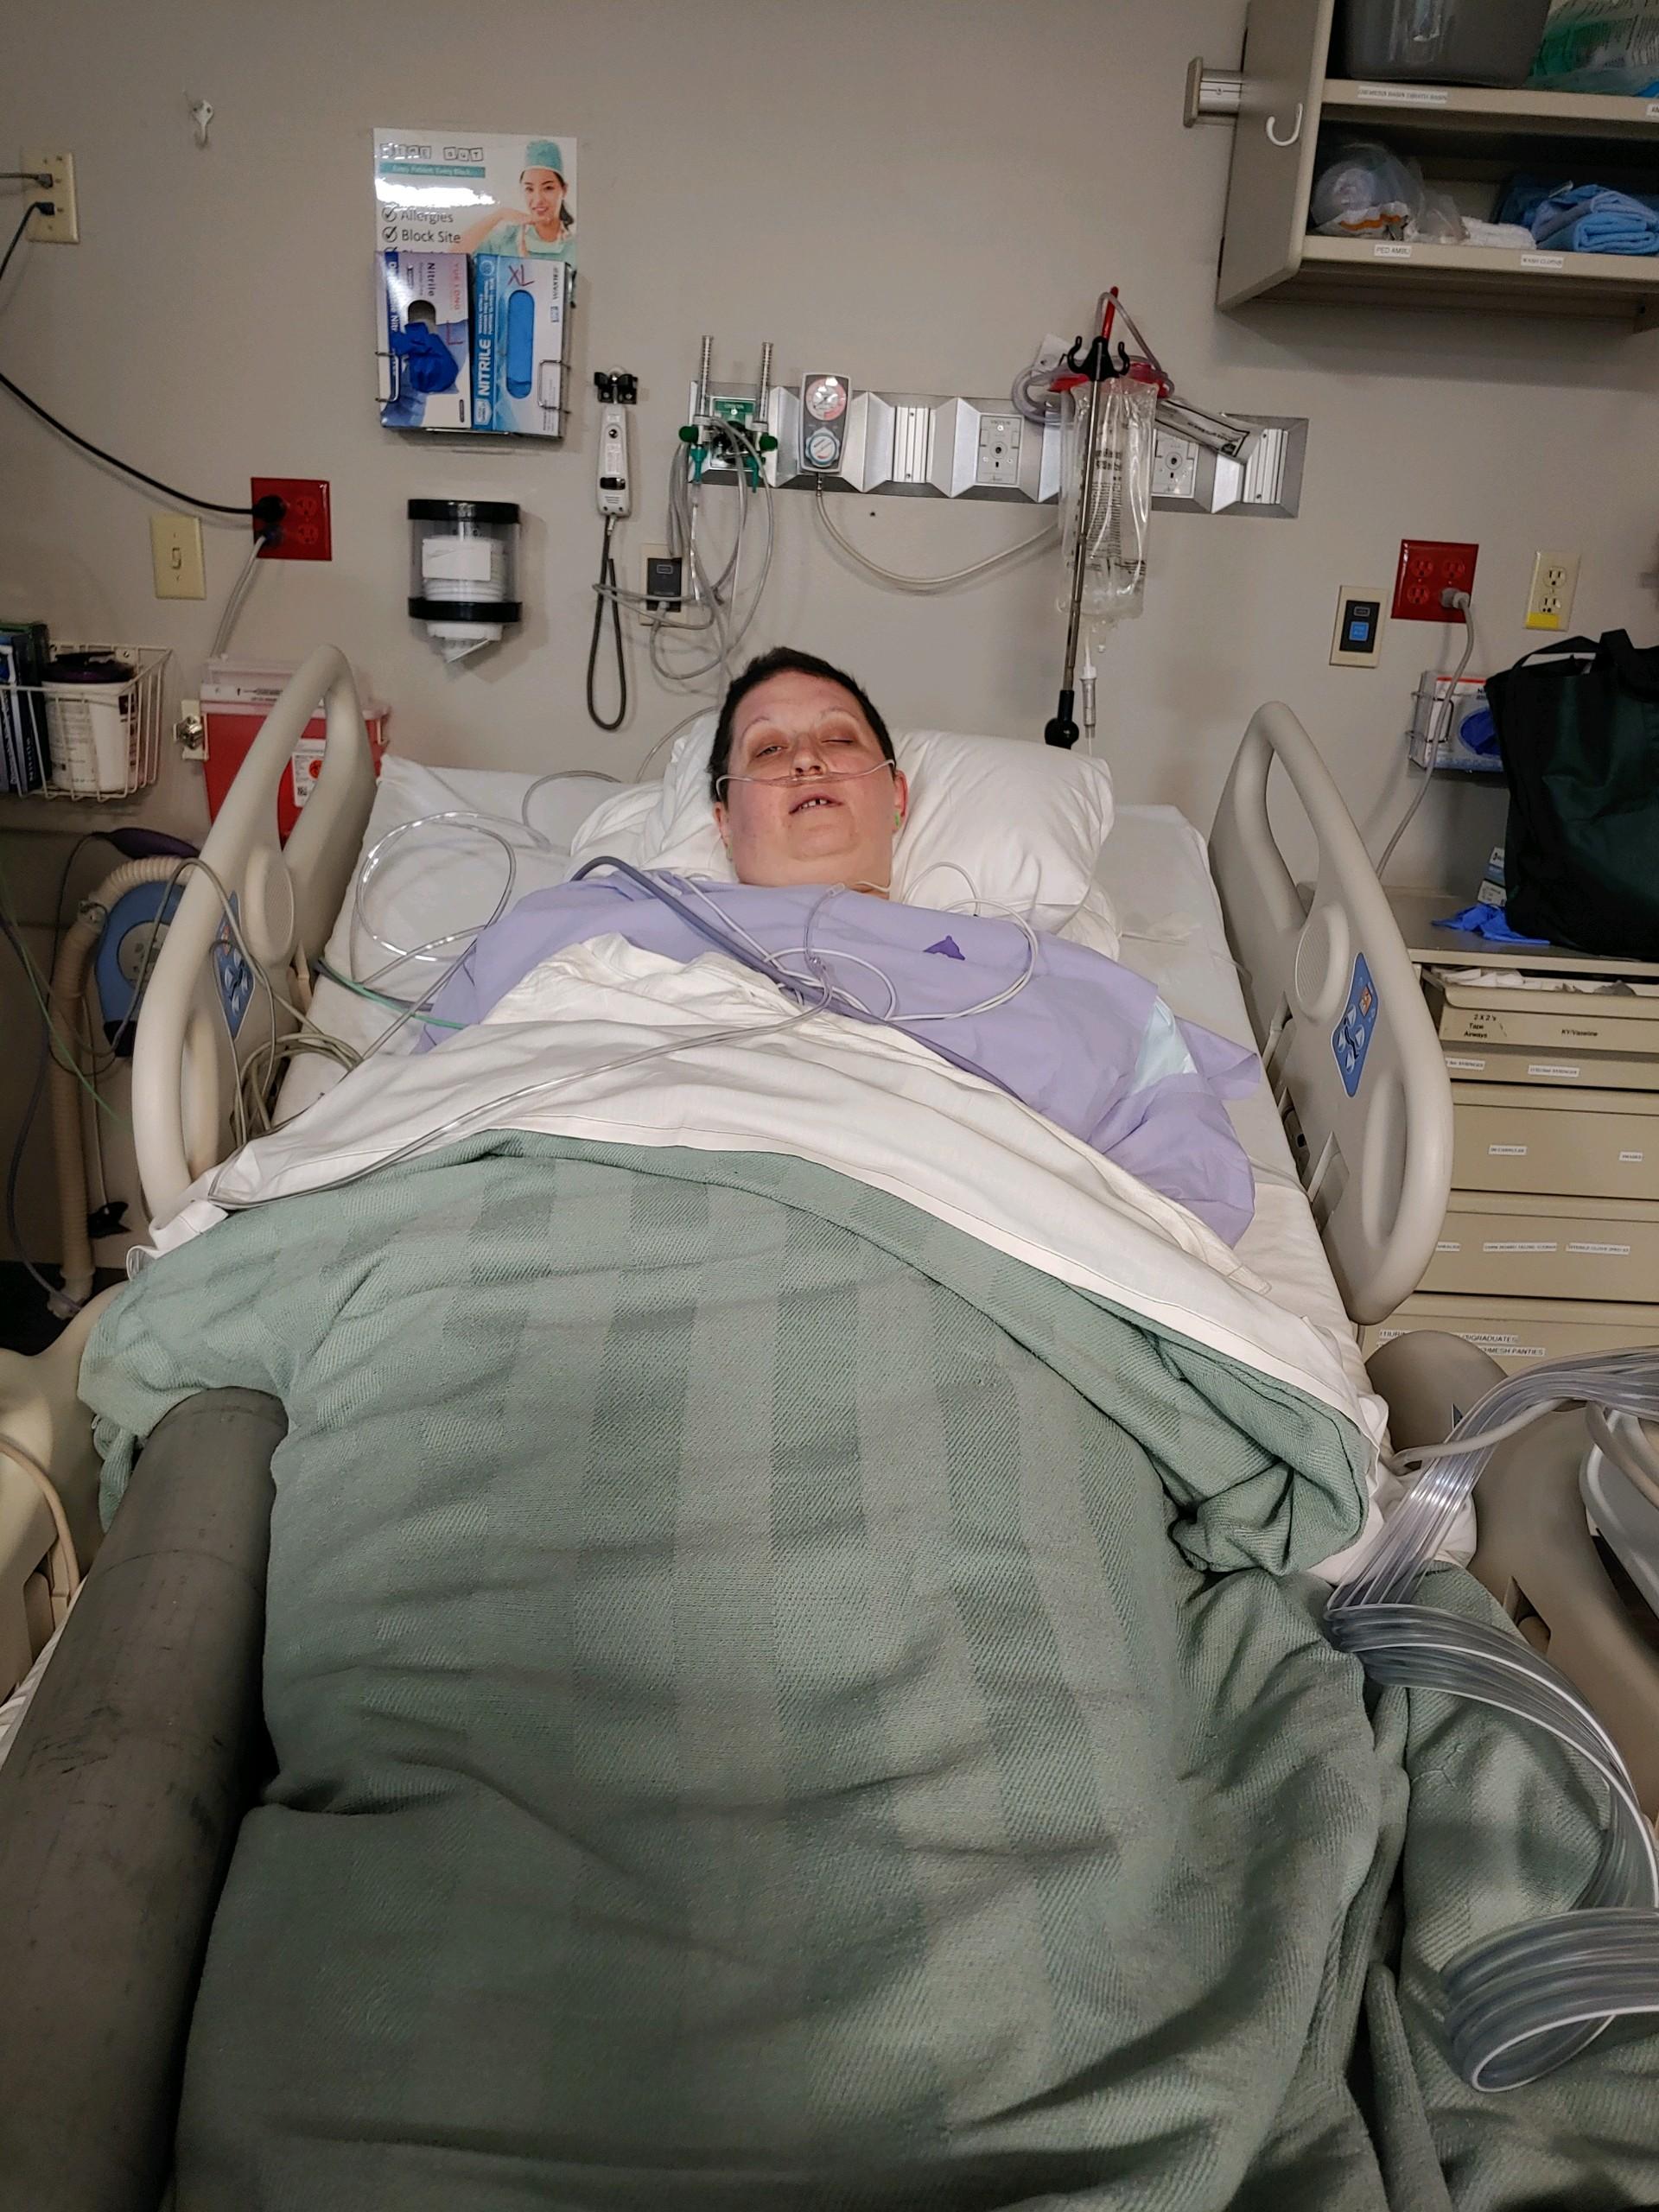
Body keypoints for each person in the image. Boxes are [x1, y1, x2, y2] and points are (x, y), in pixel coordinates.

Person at [709, 647, 908, 895]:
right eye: (769, 749)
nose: (805, 758)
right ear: (726, 824)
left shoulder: (964, 932)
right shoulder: (655, 926)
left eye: (839, 739)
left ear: (897, 797)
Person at [461, 139, 575, 258]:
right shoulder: (506, 240)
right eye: (529, 189)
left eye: (548, 188)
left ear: (564, 190)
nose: (538, 200)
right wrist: (500, 214)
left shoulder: (575, 246)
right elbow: (455, 258)